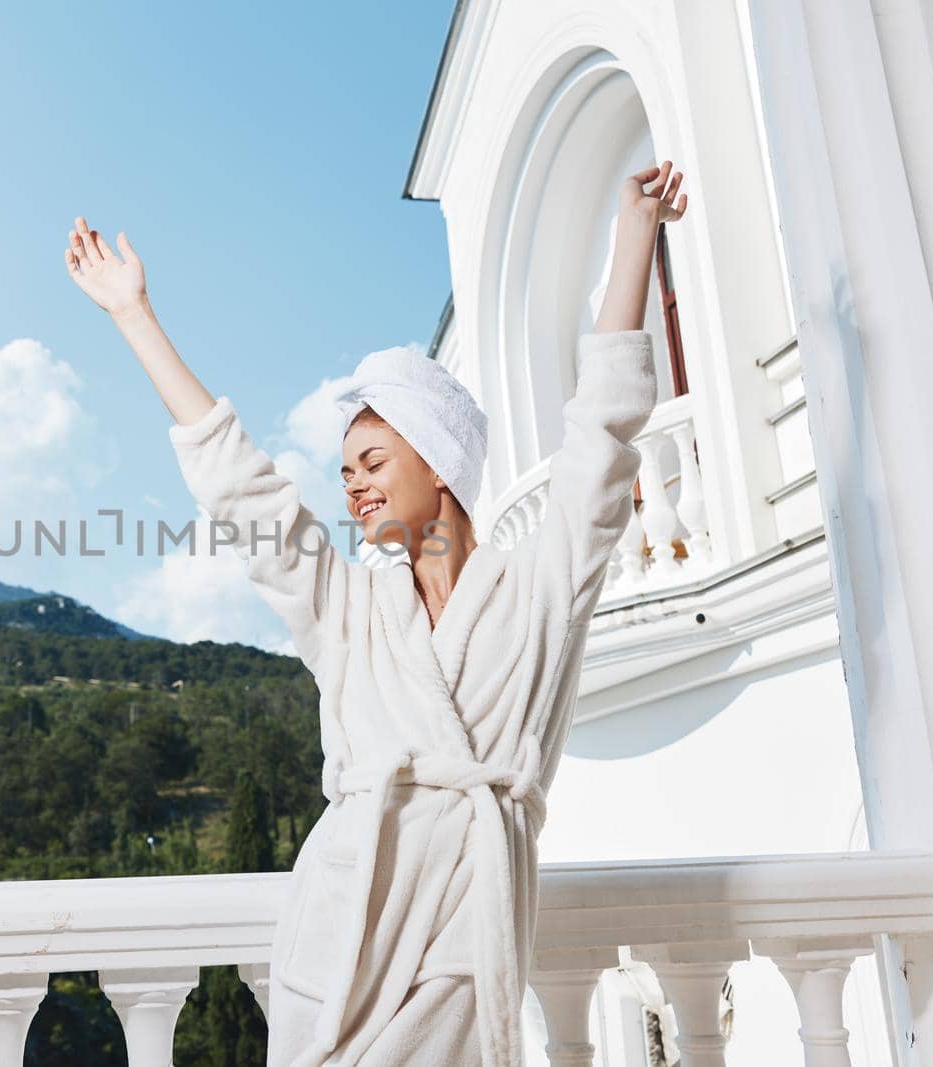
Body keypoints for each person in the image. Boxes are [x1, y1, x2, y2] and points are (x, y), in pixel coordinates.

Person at [64, 162, 688, 1065]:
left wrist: (634, 235)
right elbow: (248, 497)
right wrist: (134, 316)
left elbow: (599, 441)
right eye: (344, 466)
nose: (349, 482)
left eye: (370, 457)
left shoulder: (540, 590)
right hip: (342, 941)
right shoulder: (350, 611)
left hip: (466, 941)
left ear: (435, 459)